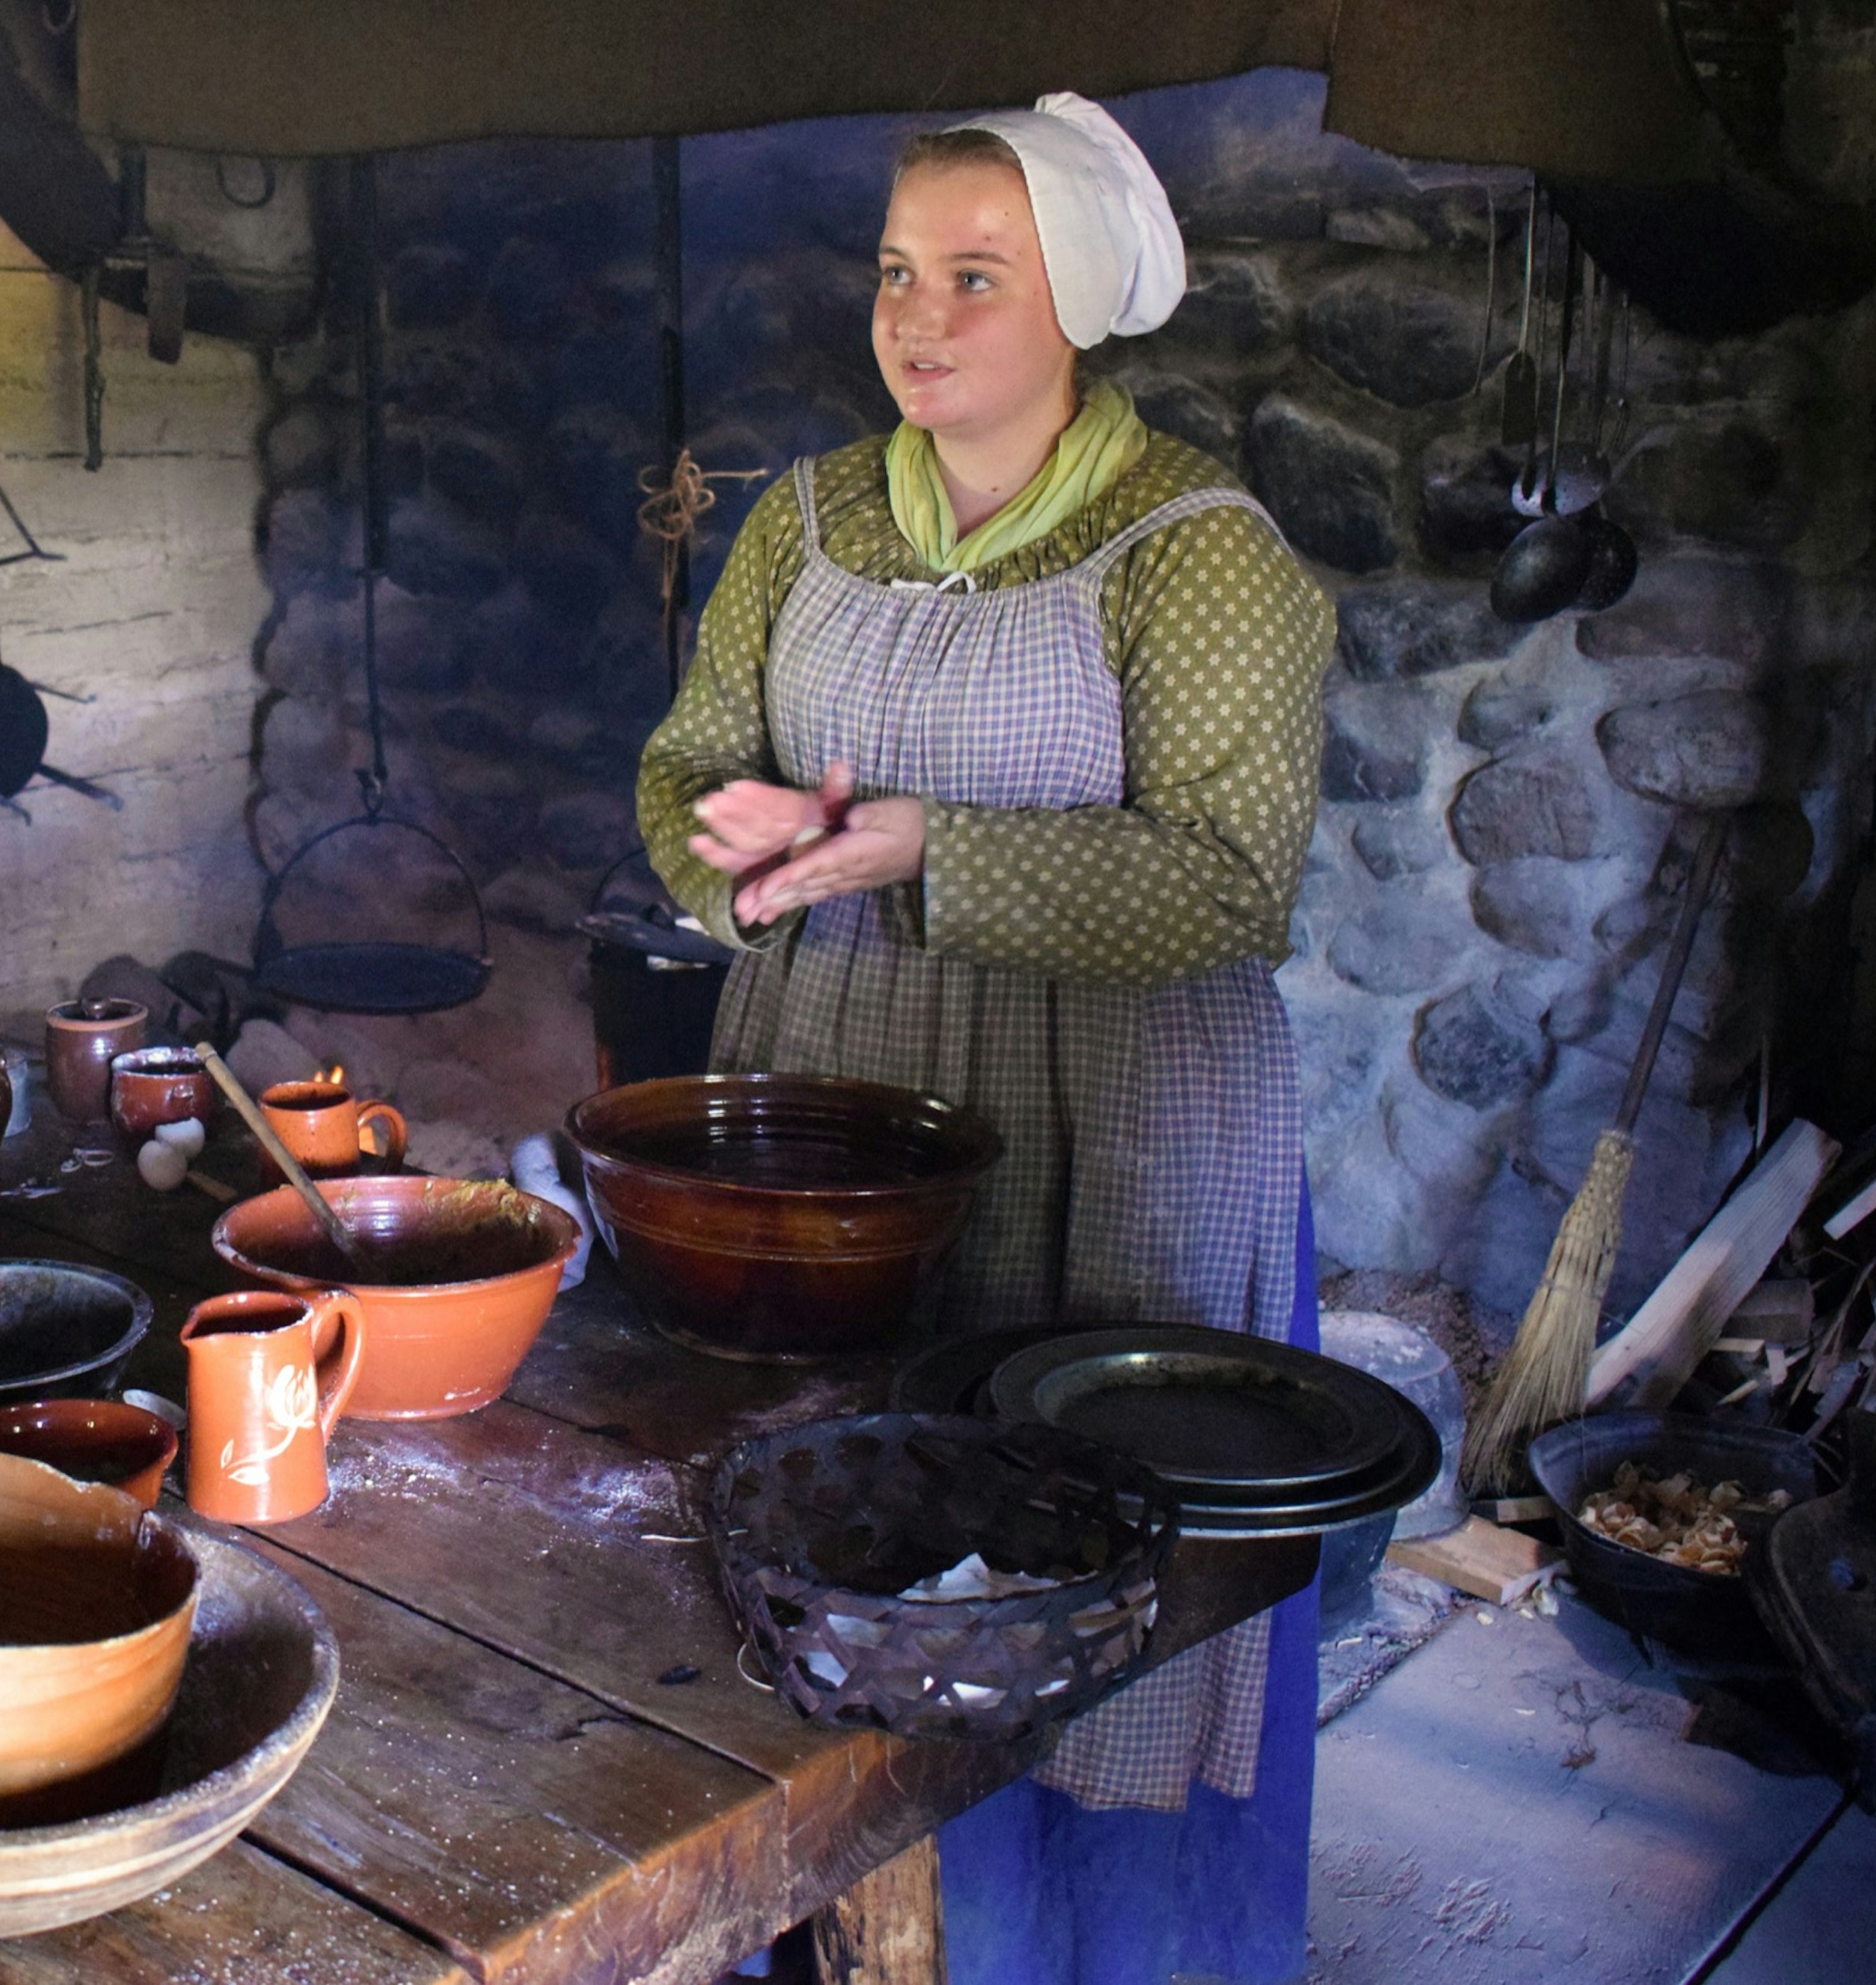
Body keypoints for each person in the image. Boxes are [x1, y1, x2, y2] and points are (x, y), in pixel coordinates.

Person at [635, 95, 1334, 1985]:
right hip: (844, 1089)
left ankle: (1099, 1956)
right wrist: (742, 856)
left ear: (1081, 305)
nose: (915, 319)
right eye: (894, 271)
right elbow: (688, 757)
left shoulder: (1198, 552)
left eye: (974, 277)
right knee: (848, 1524)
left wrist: (927, 846)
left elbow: (1226, 888)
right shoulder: (798, 516)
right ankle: (869, 1927)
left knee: (1095, 1565)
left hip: (1113, 1120)